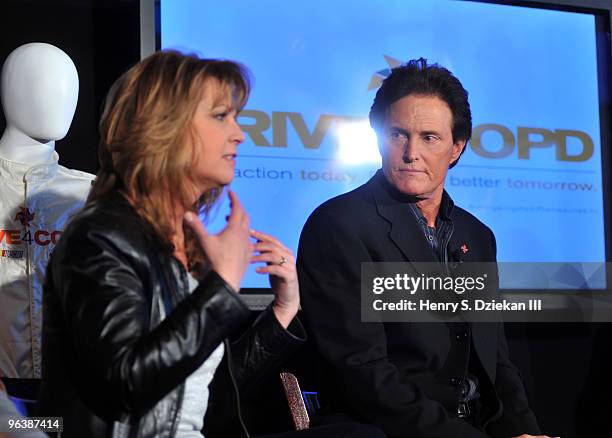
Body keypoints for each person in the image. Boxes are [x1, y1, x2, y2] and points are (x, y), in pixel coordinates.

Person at [38, 50, 385, 438]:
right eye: (221, 117)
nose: (239, 133)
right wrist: (221, 288)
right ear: (165, 127)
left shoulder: (180, 240)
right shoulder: (99, 238)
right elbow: (127, 385)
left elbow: (204, 386)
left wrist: (283, 311)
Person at [297, 58, 548, 438]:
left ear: (456, 148)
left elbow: (497, 363)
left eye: (429, 137)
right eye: (397, 134)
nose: (411, 152)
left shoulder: (477, 235)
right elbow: (362, 373)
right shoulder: (339, 225)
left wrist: (526, 432)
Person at [0, 42, 94, 380]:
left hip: (69, 396)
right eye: (46, 85)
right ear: (11, 91)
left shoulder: (92, 196)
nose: (61, 98)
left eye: (68, 89)